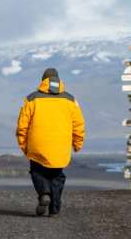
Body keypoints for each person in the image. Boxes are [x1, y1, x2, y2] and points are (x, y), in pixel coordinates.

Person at [15, 68, 85, 217]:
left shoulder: (31, 99)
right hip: (61, 147)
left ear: (43, 81)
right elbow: (78, 125)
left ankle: (44, 193)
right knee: (57, 176)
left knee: (37, 171)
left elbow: (22, 126)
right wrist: (77, 143)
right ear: (58, 81)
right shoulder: (70, 100)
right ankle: (54, 210)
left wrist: (25, 146)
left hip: (37, 145)